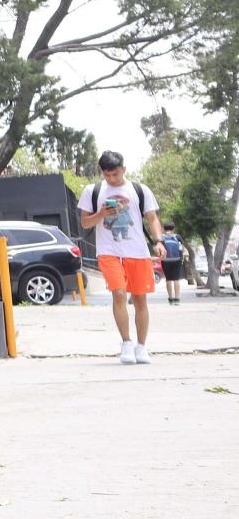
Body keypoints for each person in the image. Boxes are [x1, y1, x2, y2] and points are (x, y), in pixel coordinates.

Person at [79, 150, 164, 364]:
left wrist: (158, 241)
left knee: (139, 299)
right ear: (101, 172)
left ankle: (141, 346)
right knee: (118, 293)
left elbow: (152, 218)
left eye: (115, 174)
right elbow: (85, 223)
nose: (111, 179)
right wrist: (101, 215)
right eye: (107, 175)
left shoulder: (139, 190)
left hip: (137, 251)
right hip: (109, 252)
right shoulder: (93, 191)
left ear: (123, 170)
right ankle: (126, 343)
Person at [159, 224, 187, 307]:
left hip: (165, 260)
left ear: (164, 229)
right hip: (176, 260)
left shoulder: (161, 237)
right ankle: (177, 298)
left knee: (168, 280)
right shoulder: (177, 237)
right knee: (176, 279)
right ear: (173, 228)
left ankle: (170, 298)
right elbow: (181, 247)